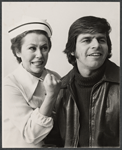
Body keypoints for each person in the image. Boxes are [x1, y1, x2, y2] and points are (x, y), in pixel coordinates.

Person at [44, 16, 120, 147]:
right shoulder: (60, 89)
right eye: (87, 40)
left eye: (101, 40)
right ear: (72, 50)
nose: (96, 45)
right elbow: (50, 142)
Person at [3, 16, 61, 148]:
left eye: (44, 48)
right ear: (18, 51)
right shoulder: (9, 85)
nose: (40, 55)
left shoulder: (55, 78)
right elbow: (31, 134)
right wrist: (51, 96)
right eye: (32, 48)